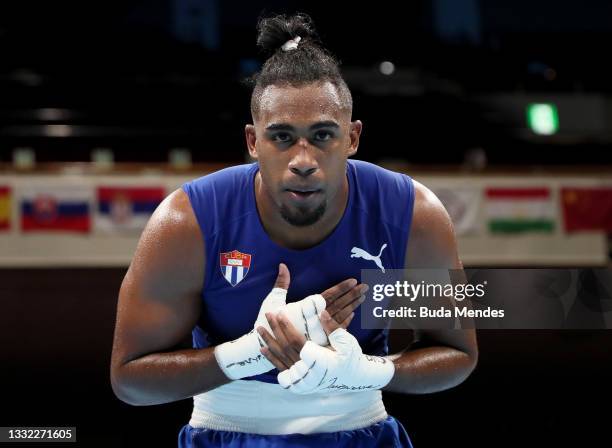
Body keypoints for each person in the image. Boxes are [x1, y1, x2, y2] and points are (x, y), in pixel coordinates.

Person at [110, 13, 478, 447]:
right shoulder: (188, 220)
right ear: (252, 142)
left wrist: (372, 372)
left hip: (364, 434)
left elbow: (460, 354)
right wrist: (244, 354)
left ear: (353, 137)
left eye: (322, 135)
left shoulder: (411, 213)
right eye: (282, 137)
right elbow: (129, 380)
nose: (303, 159)